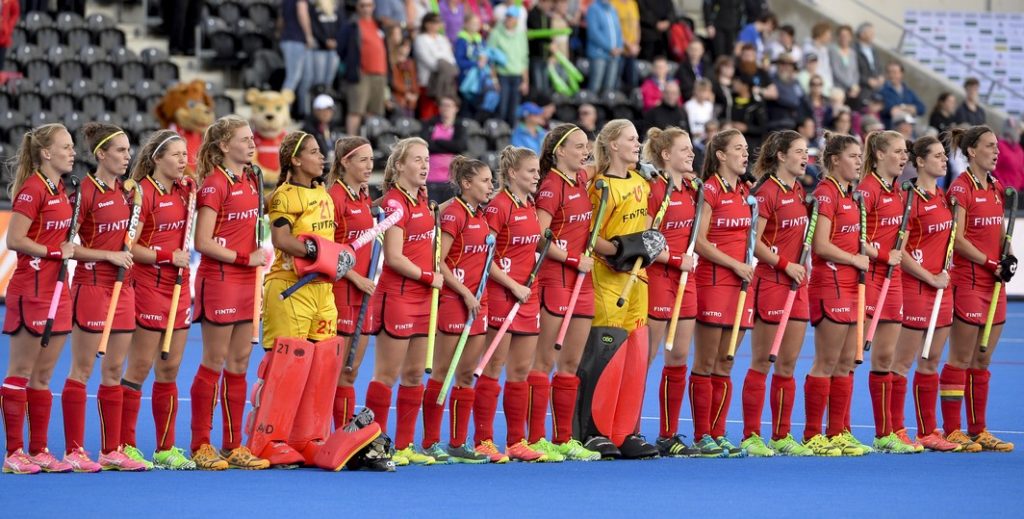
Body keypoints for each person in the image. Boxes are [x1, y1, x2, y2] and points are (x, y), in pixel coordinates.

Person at [61, 123, 149, 472]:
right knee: (82, 370)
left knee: (114, 370)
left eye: (129, 150)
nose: (128, 156)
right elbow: (68, 247)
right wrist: (107, 255)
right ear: (101, 154)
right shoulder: (84, 192)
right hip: (92, 287)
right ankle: (74, 450)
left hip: (123, 289)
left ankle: (110, 451)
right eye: (121, 150)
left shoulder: (129, 193)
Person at [575, 119, 661, 459]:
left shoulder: (642, 182)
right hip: (608, 277)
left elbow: (646, 227)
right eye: (631, 139)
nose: (637, 144)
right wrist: (620, 250)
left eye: (637, 139)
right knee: (606, 354)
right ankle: (593, 431)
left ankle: (625, 431)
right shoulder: (600, 186)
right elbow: (590, 235)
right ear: (613, 144)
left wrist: (648, 244)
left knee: (636, 356)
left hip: (638, 279)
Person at [188, 115, 270, 470]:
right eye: (244, 139)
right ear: (224, 146)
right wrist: (244, 258)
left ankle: (233, 445)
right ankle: (200, 444)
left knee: (239, 364)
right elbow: (202, 241)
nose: (252, 144)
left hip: (247, 283)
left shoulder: (252, 179)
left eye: (252, 138)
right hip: (220, 281)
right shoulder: (214, 185)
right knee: (214, 361)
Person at [363, 138, 445, 466]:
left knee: (414, 375)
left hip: (424, 298)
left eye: (427, 159)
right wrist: (428, 276)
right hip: (398, 296)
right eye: (417, 160)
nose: (424, 166)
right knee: (386, 374)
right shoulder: (395, 202)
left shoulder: (423, 198)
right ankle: (374, 444)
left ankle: (406, 444)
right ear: (399, 166)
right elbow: (394, 258)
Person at [119, 130, 197, 470]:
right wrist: (167, 256)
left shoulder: (187, 190)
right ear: (157, 159)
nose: (183, 160)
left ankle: (165, 448)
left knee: (169, 369)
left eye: (185, 154)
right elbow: (129, 247)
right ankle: (124, 445)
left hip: (179, 287)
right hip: (148, 286)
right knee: (139, 367)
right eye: (176, 155)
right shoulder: (142, 193)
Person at [2, 124, 77, 474]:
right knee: (20, 372)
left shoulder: (60, 188)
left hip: (57, 291)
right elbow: (14, 240)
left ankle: (39, 449)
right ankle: (13, 453)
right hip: (30, 291)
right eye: (66, 146)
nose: (73, 152)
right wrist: (54, 252)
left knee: (43, 376)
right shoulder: (33, 189)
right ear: (46, 153)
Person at [527, 124, 603, 462]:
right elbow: (538, 236)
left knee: (570, 363)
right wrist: (573, 259)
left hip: (582, 283)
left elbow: (602, 162)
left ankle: (563, 438)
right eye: (579, 146)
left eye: (587, 146)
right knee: (544, 362)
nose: (585, 152)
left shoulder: (582, 178)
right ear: (559, 151)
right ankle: (534, 438)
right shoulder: (550, 186)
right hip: (556, 280)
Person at [740, 130, 815, 457]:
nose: (805, 157)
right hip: (772, 283)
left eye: (806, 151)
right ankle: (751, 435)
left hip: (798, 285)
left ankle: (781, 435)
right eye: (799, 151)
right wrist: (785, 264)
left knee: (788, 364)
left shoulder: (799, 190)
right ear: (781, 155)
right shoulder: (766, 192)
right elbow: (753, 242)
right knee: (762, 361)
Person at [886, 135, 963, 452]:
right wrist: (929, 277)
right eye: (937, 156)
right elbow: (899, 251)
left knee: (930, 362)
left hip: (942, 290)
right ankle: (894, 430)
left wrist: (941, 278)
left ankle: (928, 431)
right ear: (919, 161)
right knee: (901, 364)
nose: (944, 160)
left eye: (945, 155)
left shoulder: (944, 197)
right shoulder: (909, 199)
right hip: (916, 289)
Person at [473, 146, 549, 462]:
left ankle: (516, 441)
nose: (537, 177)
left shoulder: (530, 206)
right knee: (493, 368)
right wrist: (512, 285)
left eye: (538, 171)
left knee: (520, 371)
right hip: (503, 296)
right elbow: (485, 258)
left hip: (527, 297)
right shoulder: (498, 207)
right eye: (531, 171)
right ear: (513, 173)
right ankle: (483, 441)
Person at [942, 125, 1015, 452]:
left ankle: (978, 429)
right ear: (972, 151)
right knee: (960, 358)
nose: (996, 151)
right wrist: (989, 262)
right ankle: (952, 430)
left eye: (997, 146)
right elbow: (956, 239)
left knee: (982, 360)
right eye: (989, 146)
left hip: (994, 284)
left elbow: (999, 230)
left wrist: (1008, 255)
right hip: (969, 281)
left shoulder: (996, 186)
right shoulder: (961, 188)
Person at [420, 156, 496, 464]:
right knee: (442, 372)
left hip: (479, 302)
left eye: (491, 180)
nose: (491, 185)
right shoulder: (454, 214)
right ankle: (429, 442)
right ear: (466, 184)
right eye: (485, 181)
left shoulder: (482, 214)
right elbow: (439, 262)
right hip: (456, 301)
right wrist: (464, 293)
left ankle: (457, 442)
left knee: (466, 374)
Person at [803, 132, 870, 456]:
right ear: (834, 160)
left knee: (846, 362)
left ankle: (837, 432)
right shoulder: (825, 194)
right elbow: (821, 245)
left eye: (860, 156)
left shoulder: (852, 195)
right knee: (827, 361)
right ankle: (812, 434)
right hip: (830, 283)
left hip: (853, 285)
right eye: (853, 156)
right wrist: (854, 259)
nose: (859, 162)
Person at [689, 128, 754, 458]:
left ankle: (718, 431)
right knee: (706, 362)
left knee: (726, 362)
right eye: (738, 149)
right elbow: (699, 242)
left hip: (741, 286)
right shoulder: (710, 189)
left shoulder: (745, 191)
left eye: (746, 149)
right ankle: (702, 435)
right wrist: (734, 265)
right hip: (713, 282)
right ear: (721, 155)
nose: (745, 154)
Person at [857, 130, 920, 454]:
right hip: (868, 278)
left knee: (885, 358)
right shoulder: (866, 190)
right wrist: (883, 255)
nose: (904, 157)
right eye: (898, 151)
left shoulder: (898, 190)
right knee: (850, 358)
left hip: (892, 281)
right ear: (880, 154)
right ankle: (835, 431)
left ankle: (886, 433)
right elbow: (855, 239)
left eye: (905, 152)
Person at [641, 127, 700, 456]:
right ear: (666, 155)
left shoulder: (692, 189)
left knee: (678, 358)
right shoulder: (655, 189)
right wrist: (676, 260)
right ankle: (629, 430)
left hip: (685, 280)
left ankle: (668, 434)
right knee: (646, 358)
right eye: (684, 149)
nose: (691, 153)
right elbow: (646, 240)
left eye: (691, 148)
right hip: (659, 277)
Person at [327, 137, 377, 429]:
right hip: (342, 291)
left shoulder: (363, 196)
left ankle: (343, 436)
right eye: (363, 160)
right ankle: (322, 437)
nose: (370, 166)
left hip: (363, 293)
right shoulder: (334, 197)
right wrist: (356, 278)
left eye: (371, 160)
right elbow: (326, 248)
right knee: (333, 373)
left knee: (351, 372)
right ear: (345, 162)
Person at [344, 0, 388, 135]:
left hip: (380, 73)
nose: (366, 9)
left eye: (368, 5)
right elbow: (342, 48)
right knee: (356, 110)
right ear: (357, 7)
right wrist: (352, 67)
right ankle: (350, 141)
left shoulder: (378, 24)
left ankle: (369, 142)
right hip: (361, 73)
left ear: (373, 6)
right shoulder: (352, 25)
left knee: (374, 112)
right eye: (362, 5)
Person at [422, 96, 468, 204]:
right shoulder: (430, 124)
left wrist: (438, 141)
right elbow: (425, 145)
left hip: (452, 182)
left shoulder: (459, 126)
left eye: (449, 105)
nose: (445, 108)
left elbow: (460, 146)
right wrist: (450, 145)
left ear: (456, 108)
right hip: (431, 180)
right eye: (443, 105)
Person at [488, 7, 529, 125]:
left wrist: (525, 81)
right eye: (507, 17)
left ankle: (510, 132)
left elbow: (524, 58)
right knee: (502, 108)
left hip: (517, 76)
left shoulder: (521, 34)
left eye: (511, 18)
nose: (508, 20)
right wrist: (494, 79)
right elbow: (490, 58)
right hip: (502, 75)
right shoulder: (496, 33)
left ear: (516, 20)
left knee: (513, 110)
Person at [586, 0, 623, 94]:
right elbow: (593, 32)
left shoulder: (613, 9)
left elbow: (618, 30)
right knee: (596, 85)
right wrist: (610, 48)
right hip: (599, 54)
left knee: (610, 87)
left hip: (614, 55)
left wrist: (619, 46)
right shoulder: (593, 8)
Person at [879, 63, 925, 129]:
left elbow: (921, 108)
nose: (891, 75)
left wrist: (903, 107)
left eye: (894, 72)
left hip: (909, 128)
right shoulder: (882, 90)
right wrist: (908, 109)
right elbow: (888, 109)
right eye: (889, 72)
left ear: (901, 74)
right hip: (891, 128)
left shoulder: (908, 91)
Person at [301, 94, 339, 165]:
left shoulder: (332, 128)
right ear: (315, 111)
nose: (327, 113)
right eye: (323, 110)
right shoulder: (308, 131)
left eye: (329, 110)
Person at [829, 25, 861, 104]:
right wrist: (850, 85)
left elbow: (855, 72)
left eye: (847, 36)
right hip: (838, 87)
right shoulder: (833, 50)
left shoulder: (853, 53)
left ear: (850, 37)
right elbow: (836, 71)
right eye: (842, 35)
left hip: (852, 88)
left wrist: (855, 85)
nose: (844, 38)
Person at [993, 118, 1024, 192]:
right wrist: (1004, 188)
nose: (1019, 132)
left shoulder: (1019, 149)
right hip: (1004, 191)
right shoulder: (999, 146)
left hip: (1018, 191)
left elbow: (1021, 171)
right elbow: (993, 170)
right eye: (1017, 129)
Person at [803, 23, 834, 94]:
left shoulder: (824, 49)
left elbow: (827, 69)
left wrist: (830, 85)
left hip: (827, 84)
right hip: (816, 86)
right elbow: (811, 69)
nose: (830, 37)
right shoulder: (808, 48)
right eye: (828, 35)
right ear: (821, 34)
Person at [855, 23, 884, 95]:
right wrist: (867, 80)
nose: (873, 35)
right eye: (870, 32)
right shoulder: (854, 50)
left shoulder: (873, 50)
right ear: (862, 34)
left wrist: (881, 76)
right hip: (862, 87)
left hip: (877, 86)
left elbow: (879, 66)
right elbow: (852, 71)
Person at [685, 79, 716, 143]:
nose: (703, 94)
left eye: (705, 91)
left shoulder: (709, 106)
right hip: (693, 140)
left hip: (707, 140)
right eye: (701, 90)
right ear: (695, 91)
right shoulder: (688, 105)